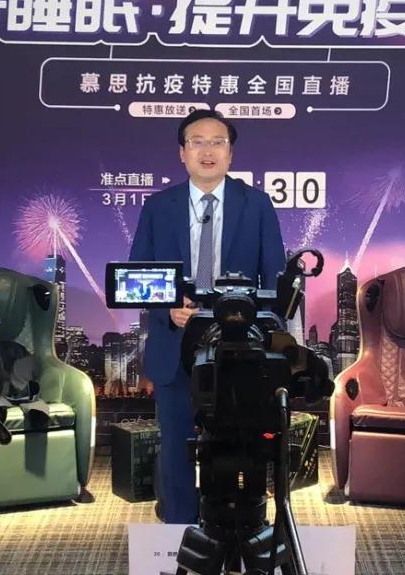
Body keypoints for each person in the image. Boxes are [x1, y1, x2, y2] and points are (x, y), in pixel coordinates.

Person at [129, 109, 285, 524]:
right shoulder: (158, 206)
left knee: (241, 444)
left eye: (217, 142)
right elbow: (138, 273)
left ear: (231, 153)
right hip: (174, 343)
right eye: (197, 142)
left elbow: (275, 278)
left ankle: (241, 527)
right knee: (177, 445)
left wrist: (255, 324)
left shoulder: (257, 204)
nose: (207, 150)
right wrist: (167, 307)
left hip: (239, 347)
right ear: (182, 153)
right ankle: (179, 529)